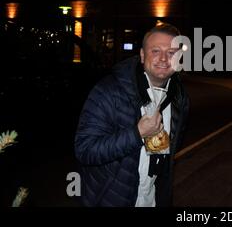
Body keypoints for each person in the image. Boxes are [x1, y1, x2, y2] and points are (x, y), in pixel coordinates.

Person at [75, 23, 189, 207]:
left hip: (151, 199)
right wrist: (137, 133)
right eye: (155, 51)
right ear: (142, 56)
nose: (163, 59)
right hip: (110, 199)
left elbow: (170, 154)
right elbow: (85, 150)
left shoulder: (179, 99)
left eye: (171, 53)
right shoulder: (109, 91)